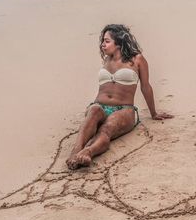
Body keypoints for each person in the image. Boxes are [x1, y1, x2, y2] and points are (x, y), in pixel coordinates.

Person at [66, 24, 172, 170]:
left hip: (124, 109)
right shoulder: (107, 60)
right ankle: (76, 151)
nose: (103, 44)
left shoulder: (137, 59)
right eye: (103, 41)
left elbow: (145, 87)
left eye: (107, 41)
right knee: (93, 112)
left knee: (107, 128)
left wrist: (154, 113)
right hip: (100, 105)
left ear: (119, 42)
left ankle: (88, 152)